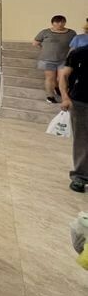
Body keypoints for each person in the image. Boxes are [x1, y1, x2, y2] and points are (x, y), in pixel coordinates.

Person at [59, 44, 88, 193]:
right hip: (82, 103)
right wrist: (65, 97)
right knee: (82, 141)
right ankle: (80, 177)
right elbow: (64, 76)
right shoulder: (79, 53)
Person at [33, 15, 76, 103]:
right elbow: (35, 42)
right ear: (52, 23)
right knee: (50, 78)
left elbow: (74, 44)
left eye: (62, 22)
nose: (60, 24)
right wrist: (45, 48)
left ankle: (61, 93)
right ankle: (50, 96)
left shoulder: (71, 33)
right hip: (47, 60)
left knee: (62, 78)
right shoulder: (45, 32)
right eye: (57, 22)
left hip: (63, 60)